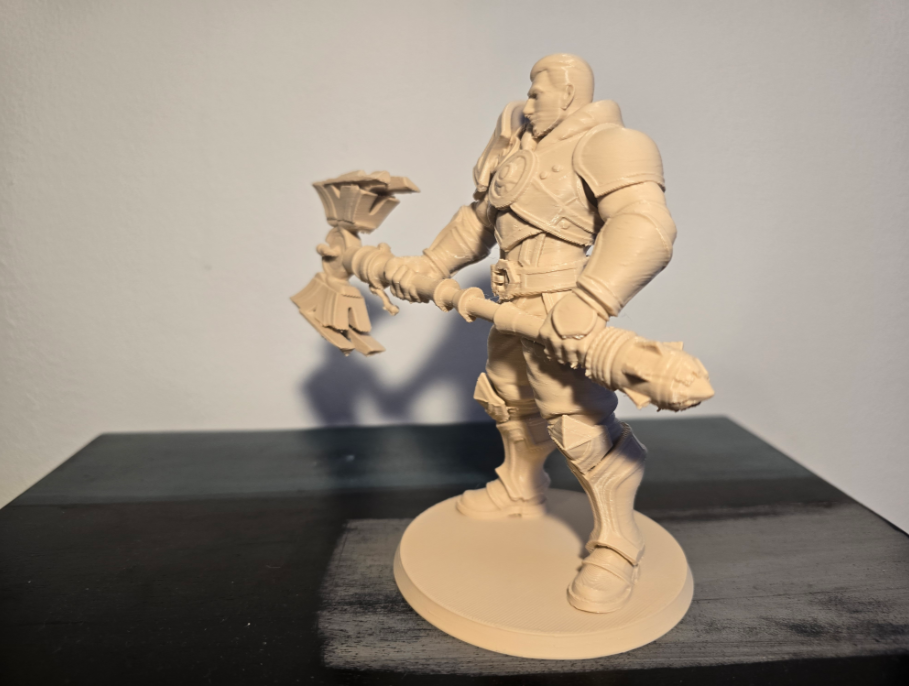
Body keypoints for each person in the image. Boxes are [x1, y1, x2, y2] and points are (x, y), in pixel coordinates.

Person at [388, 54, 676, 614]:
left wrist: (592, 299)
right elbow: (478, 221)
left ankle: (619, 544)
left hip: (562, 308)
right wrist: (429, 264)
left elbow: (646, 223)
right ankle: (521, 487)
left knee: (579, 423)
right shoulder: (518, 145)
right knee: (510, 400)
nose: (529, 101)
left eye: (539, 91)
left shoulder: (610, 144)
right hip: (510, 305)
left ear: (568, 94)